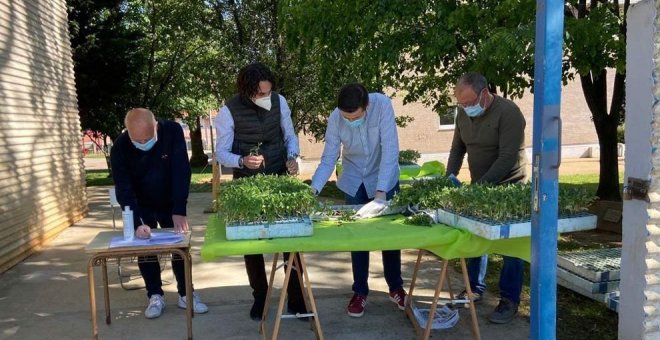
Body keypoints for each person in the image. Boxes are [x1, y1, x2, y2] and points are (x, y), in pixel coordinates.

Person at [214, 62, 306, 321]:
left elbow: (290, 135)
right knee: (251, 243)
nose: (266, 97)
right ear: (247, 92)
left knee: (291, 238)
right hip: (247, 184)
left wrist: (292, 157)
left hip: (279, 178)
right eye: (260, 94)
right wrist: (241, 161)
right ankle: (260, 298)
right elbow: (221, 153)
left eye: (268, 92)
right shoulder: (228, 111)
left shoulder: (280, 102)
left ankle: (297, 299)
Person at [310, 83, 407, 318]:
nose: (350, 120)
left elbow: (391, 149)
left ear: (366, 106)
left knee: (389, 236)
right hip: (354, 179)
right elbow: (329, 157)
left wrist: (382, 193)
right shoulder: (336, 118)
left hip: (383, 176)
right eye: (346, 117)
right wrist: (311, 191)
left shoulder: (382, 105)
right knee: (357, 238)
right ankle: (360, 292)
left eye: (355, 116)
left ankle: (396, 287)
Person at [110, 108, 208, 319]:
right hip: (141, 202)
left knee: (179, 245)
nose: (143, 143)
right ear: (128, 132)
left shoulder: (172, 132)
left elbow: (181, 170)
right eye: (138, 139)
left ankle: (185, 293)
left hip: (170, 199)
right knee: (145, 246)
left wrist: (179, 209)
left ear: (156, 126)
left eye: (148, 137)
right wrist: (137, 222)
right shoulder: (120, 147)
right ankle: (155, 295)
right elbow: (123, 188)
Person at [446, 72, 527, 324]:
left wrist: (477, 189)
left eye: (469, 103)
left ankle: (509, 299)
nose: (466, 108)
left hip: (509, 189)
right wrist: (449, 176)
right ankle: (472, 290)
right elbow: (457, 148)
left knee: (512, 248)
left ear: (484, 93)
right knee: (475, 237)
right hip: (480, 185)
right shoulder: (462, 114)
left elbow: (506, 158)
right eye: (461, 104)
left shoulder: (509, 113)